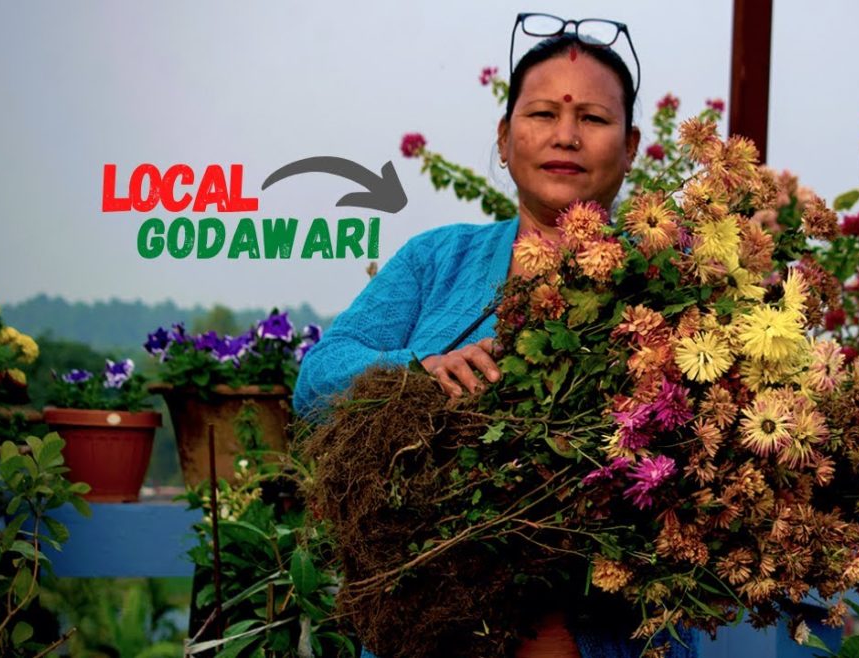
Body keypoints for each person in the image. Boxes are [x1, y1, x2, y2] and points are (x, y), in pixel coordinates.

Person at [294, 17, 700, 658]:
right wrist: (420, 368)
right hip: (426, 630)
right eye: (542, 114)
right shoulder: (437, 261)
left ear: (630, 147)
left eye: (593, 118)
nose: (566, 135)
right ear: (505, 139)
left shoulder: (674, 283)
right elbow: (316, 380)